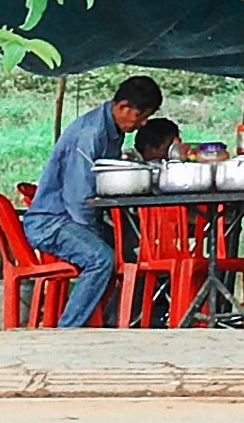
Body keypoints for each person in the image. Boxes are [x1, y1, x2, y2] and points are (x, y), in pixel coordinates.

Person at [25, 74, 160, 328]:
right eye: (141, 116)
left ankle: (112, 321)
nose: (143, 123)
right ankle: (69, 328)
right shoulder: (90, 134)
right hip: (54, 222)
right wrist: (96, 234)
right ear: (124, 107)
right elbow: (78, 199)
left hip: (74, 219)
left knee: (136, 254)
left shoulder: (114, 130)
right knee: (101, 259)